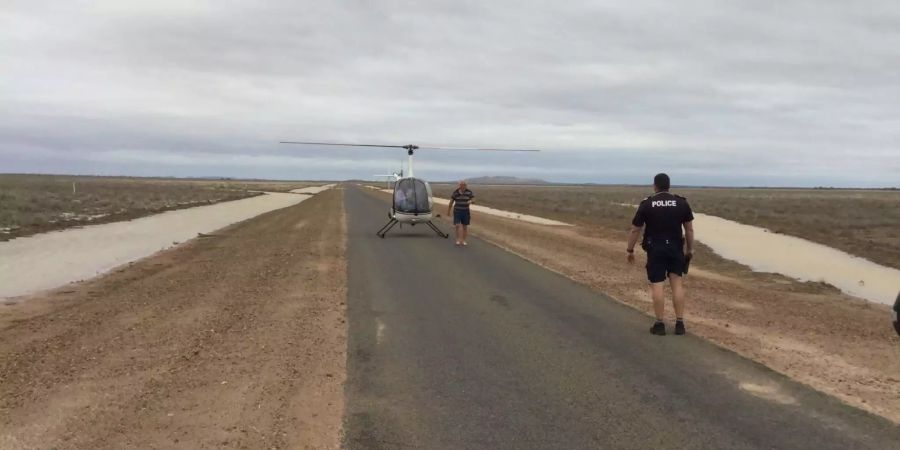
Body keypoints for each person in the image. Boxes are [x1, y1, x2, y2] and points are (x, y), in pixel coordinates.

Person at [626, 173, 695, 336]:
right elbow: (689, 229)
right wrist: (690, 250)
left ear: (654, 186)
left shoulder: (647, 203)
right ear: (669, 185)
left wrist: (630, 249)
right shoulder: (681, 203)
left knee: (657, 284)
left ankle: (659, 324)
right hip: (676, 248)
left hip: (655, 249)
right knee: (676, 283)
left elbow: (636, 228)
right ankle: (680, 324)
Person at [447, 180, 474, 246]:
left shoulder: (469, 192)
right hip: (457, 211)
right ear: (459, 186)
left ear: (466, 186)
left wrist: (471, 201)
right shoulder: (455, 192)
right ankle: (458, 239)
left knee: (465, 226)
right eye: (461, 185)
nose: (463, 186)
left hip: (465, 211)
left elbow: (473, 199)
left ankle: (464, 240)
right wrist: (448, 211)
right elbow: (451, 202)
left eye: (464, 185)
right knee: (457, 225)